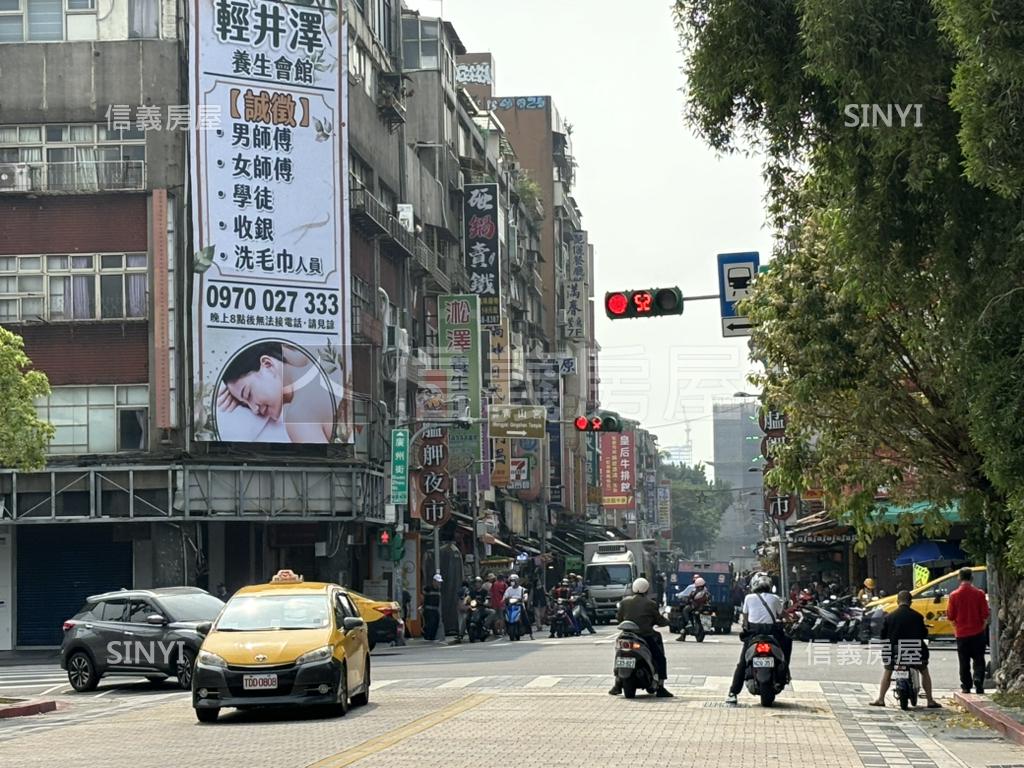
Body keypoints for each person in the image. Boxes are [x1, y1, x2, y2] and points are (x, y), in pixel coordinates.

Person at [217, 341, 337, 443]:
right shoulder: (323, 362)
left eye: (248, 394)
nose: (254, 409)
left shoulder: (298, 417)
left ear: (267, 364)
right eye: (245, 405)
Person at [726, 572, 791, 705]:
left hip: (753, 635)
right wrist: (790, 620)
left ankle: (733, 693)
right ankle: (785, 672)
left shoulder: (749, 598)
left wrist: (746, 627)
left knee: (742, 663)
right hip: (772, 633)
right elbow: (783, 615)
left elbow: (745, 618)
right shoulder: (774, 598)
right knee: (787, 644)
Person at [869, 590, 941, 708]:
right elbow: (923, 634)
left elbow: (883, 636)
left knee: (888, 671)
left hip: (894, 652)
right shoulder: (917, 616)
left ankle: (881, 698)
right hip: (914, 651)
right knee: (924, 670)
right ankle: (930, 700)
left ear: (898, 601)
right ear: (910, 602)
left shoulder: (889, 617)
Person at [609, 578, 673, 698]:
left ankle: (617, 683)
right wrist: (668, 622)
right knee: (660, 658)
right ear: (647, 589)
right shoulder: (651, 604)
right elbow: (658, 620)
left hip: (626, 635)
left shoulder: (624, 602)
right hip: (645, 636)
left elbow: (619, 619)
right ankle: (660, 686)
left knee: (619, 653)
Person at [947, 567, 990, 695]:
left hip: (961, 633)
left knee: (963, 661)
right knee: (979, 659)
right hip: (977, 631)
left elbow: (950, 615)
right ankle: (978, 679)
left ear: (959, 578)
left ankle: (966, 685)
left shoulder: (954, 595)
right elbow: (985, 613)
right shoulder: (979, 593)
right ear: (972, 578)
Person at [677, 576, 711, 641]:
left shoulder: (695, 591)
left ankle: (688, 622)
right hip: (703, 608)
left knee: (685, 610)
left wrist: (687, 600)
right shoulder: (706, 592)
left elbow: (690, 598)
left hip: (695, 607)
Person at [503, 574, 533, 639]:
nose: (512, 582)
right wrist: (505, 599)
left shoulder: (522, 589)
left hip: (520, 606)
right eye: (511, 581)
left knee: (526, 619)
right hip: (510, 606)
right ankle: (505, 630)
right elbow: (505, 596)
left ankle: (531, 634)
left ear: (517, 581)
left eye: (513, 580)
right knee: (504, 615)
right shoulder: (509, 589)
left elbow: (525, 597)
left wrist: (523, 599)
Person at [421, 574, 443, 641]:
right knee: (430, 624)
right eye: (437, 582)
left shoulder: (438, 590)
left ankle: (432, 638)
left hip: (435, 610)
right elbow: (422, 595)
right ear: (434, 581)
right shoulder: (428, 588)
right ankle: (427, 637)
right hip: (428, 610)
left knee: (436, 624)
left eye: (439, 582)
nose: (439, 583)